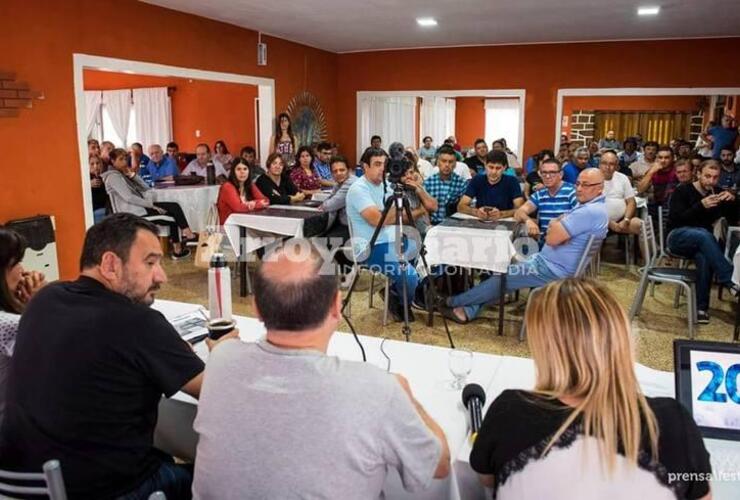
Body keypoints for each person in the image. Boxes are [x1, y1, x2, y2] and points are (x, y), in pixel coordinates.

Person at [0, 214, 237, 499]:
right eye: (150, 263)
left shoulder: (44, 300)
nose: (161, 275)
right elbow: (219, 393)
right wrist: (223, 351)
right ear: (111, 264)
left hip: (24, 484)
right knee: (223, 477)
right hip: (108, 489)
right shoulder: (139, 323)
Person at [191, 244, 450, 498]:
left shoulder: (221, 359)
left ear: (256, 308)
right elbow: (438, 464)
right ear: (337, 306)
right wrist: (406, 395)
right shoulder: (377, 389)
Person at [471, 278, 712, 500]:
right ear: (620, 340)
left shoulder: (510, 413)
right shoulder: (672, 422)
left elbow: (486, 479)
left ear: (546, 350)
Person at [441, 169, 608, 323]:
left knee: (501, 276)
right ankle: (467, 310)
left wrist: (554, 224)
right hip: (548, 263)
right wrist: (555, 224)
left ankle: (451, 301)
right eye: (578, 183)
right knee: (502, 266)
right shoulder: (591, 207)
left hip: (551, 270)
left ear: (600, 188)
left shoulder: (589, 211)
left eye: (585, 185)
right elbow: (549, 225)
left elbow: (551, 238)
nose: (579, 188)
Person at [346, 147, 420, 321]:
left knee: (421, 248)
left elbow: (397, 215)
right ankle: (402, 303)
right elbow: (378, 221)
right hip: (370, 246)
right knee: (410, 275)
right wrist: (388, 213)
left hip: (391, 239)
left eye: (384, 164)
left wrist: (387, 212)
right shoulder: (359, 189)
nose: (382, 168)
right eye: (377, 164)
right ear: (365, 166)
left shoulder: (386, 185)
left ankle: (394, 291)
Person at [667, 160, 739, 323]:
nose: (711, 181)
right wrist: (700, 205)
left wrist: (733, 200)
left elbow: (732, 219)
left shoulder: (717, 192)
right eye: (707, 176)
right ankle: (731, 281)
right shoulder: (682, 191)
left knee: (705, 256)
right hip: (677, 237)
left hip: (701, 242)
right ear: (698, 174)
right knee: (703, 234)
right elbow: (676, 220)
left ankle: (701, 309)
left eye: (715, 177)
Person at [102, 148, 196, 259]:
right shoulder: (113, 177)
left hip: (140, 207)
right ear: (113, 161)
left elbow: (146, 188)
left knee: (173, 206)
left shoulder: (122, 174)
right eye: (120, 159)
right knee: (172, 218)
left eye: (125, 159)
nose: (124, 162)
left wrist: (133, 176)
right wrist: (151, 205)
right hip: (133, 213)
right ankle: (178, 250)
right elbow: (129, 198)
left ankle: (187, 233)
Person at [0, 228, 46, 429]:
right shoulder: (9, 325)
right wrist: (40, 303)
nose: (23, 270)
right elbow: (57, 357)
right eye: (15, 263)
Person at [515, 158, 577, 242]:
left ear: (561, 174)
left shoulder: (572, 191)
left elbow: (580, 216)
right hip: (545, 245)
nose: (547, 176)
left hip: (566, 244)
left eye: (552, 172)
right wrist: (528, 221)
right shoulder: (540, 194)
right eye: (544, 173)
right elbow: (519, 212)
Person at [457, 150, 524, 222]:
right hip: (481, 221)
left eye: (498, 168)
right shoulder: (477, 180)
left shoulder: (512, 181)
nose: (494, 172)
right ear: (485, 165)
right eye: (491, 167)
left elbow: (521, 209)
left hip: (505, 222)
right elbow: (460, 206)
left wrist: (501, 214)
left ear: (504, 168)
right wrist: (476, 212)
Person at [319, 156, 356, 266]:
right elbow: (329, 199)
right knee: (318, 237)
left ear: (349, 171)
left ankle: (338, 273)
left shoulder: (351, 183)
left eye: (342, 170)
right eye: (335, 171)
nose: (338, 173)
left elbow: (330, 204)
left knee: (324, 242)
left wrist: (324, 205)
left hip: (353, 228)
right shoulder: (339, 183)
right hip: (343, 223)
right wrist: (325, 204)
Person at [599, 150, 642, 235]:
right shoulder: (592, 177)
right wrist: (609, 222)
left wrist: (626, 220)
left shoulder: (623, 178)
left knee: (641, 225)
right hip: (599, 221)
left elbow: (631, 202)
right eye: (604, 163)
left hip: (621, 221)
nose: (607, 167)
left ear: (616, 166)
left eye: (611, 164)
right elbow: (588, 207)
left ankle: (653, 248)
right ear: (599, 164)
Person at [423, 145, 468, 224]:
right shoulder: (428, 183)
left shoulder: (461, 183)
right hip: (433, 224)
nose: (447, 165)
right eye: (444, 161)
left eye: (450, 162)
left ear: (455, 164)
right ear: (437, 163)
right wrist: (428, 226)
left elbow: (464, 208)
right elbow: (424, 209)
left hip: (455, 224)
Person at [217, 160, 270, 224]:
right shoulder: (227, 186)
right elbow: (238, 208)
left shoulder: (250, 185)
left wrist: (252, 203)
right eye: (238, 169)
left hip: (245, 223)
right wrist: (257, 204)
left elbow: (266, 201)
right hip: (229, 227)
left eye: (245, 169)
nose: (242, 172)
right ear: (233, 172)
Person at [636, 145, 677, 216]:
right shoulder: (653, 170)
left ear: (672, 159)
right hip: (657, 206)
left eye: (666, 158)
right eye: (660, 158)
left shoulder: (677, 170)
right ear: (656, 159)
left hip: (674, 205)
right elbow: (640, 190)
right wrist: (651, 172)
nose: (663, 160)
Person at [90, 155, 109, 224]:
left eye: (97, 163)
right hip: (97, 211)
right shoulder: (87, 179)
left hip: (105, 210)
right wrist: (88, 185)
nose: (95, 166)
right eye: (92, 164)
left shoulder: (101, 177)